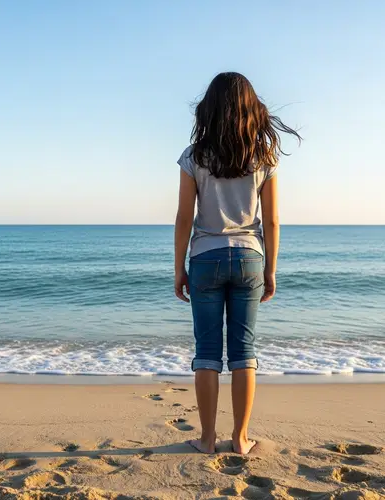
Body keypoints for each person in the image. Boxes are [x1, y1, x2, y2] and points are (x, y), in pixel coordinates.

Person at [174, 72, 301, 455]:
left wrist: (178, 267)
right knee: (244, 350)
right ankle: (241, 439)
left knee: (207, 351)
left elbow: (183, 217)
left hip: (205, 258)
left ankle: (208, 438)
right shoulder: (263, 156)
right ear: (250, 109)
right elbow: (274, 220)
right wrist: (271, 269)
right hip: (249, 258)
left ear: (208, 110)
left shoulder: (195, 156)